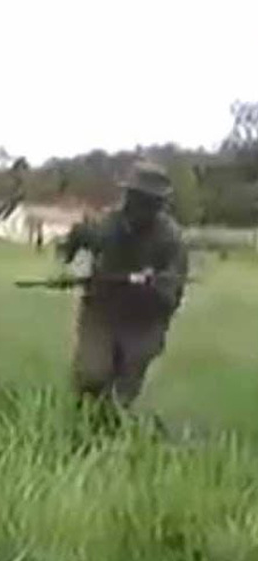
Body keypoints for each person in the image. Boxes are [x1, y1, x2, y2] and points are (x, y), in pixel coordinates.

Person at [57, 161, 189, 409]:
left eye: (145, 201)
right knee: (92, 374)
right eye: (134, 197)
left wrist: (153, 285)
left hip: (145, 320)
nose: (136, 206)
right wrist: (67, 264)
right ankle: (84, 417)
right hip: (102, 310)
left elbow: (172, 291)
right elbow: (77, 238)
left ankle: (112, 422)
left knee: (123, 390)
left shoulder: (170, 239)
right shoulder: (108, 224)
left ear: (158, 205)